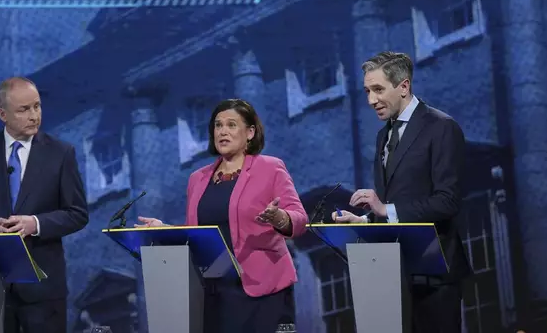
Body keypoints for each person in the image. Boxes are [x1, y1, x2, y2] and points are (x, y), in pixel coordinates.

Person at [136, 98, 308, 333]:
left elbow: (300, 221)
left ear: (250, 132)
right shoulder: (198, 179)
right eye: (218, 125)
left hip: (264, 290)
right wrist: (164, 229)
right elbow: (196, 234)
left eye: (231, 125)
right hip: (215, 293)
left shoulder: (270, 168)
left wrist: (279, 218)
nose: (223, 132)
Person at [332, 51, 471, 333]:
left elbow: (448, 201)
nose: (371, 100)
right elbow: (394, 204)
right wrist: (365, 222)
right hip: (392, 276)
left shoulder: (441, 127)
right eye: (367, 91)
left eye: (378, 90)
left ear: (404, 86)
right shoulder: (383, 136)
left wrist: (384, 209)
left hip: (435, 276)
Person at [0, 76, 89, 333]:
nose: (34, 115)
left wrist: (34, 223)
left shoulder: (61, 153)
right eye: (24, 110)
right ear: (3, 114)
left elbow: (77, 213)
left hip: (43, 289)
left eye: (37, 106)